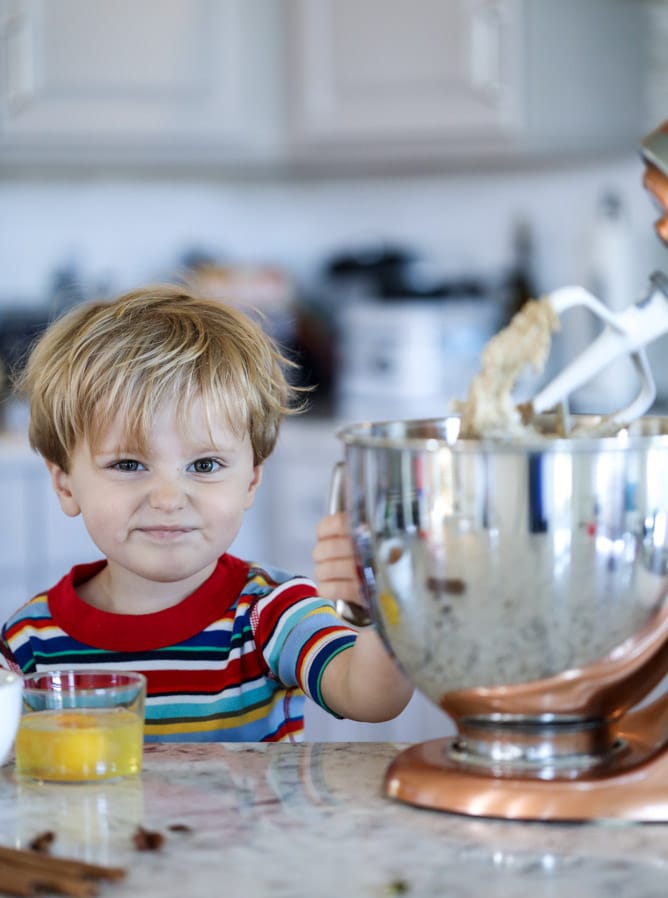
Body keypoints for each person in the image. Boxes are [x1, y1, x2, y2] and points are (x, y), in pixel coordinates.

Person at [0, 285, 412, 742]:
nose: (168, 498)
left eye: (204, 465)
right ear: (65, 483)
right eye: (129, 465)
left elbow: (373, 699)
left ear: (251, 481)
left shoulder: (269, 613)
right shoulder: (28, 641)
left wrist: (381, 609)